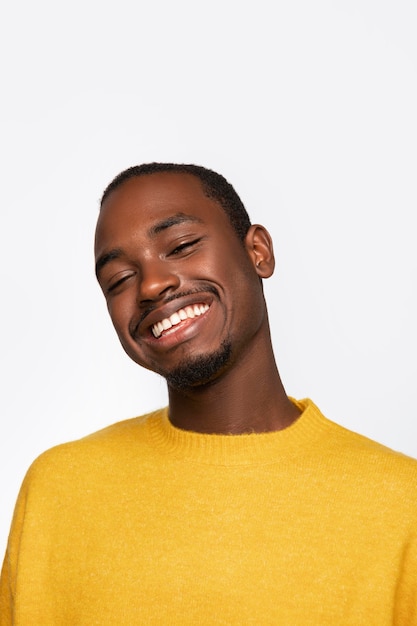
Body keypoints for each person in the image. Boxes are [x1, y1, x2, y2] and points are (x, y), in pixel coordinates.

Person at [1, 162, 416, 625]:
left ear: (258, 251)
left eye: (180, 246)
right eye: (118, 280)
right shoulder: (58, 491)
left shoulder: (402, 505)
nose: (152, 285)